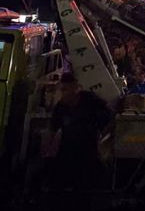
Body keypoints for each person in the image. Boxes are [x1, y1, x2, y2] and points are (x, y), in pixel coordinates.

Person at [44, 72, 112, 210]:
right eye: (61, 89)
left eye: (65, 89)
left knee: (85, 192)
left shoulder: (90, 100)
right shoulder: (61, 107)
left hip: (88, 153)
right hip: (67, 152)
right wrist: (46, 151)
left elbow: (109, 117)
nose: (62, 93)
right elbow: (52, 129)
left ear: (75, 89)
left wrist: (104, 140)